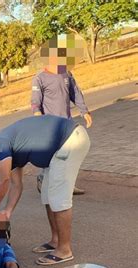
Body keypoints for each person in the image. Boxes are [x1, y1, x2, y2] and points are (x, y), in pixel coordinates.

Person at [0, 114, 90, 266]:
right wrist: (7, 211)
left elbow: (3, 179)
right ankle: (55, 240)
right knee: (47, 195)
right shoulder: (9, 148)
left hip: (70, 141)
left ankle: (64, 249)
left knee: (58, 198)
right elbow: (16, 184)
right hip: (61, 147)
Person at [31, 33, 92, 199]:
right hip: (50, 125)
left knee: (70, 153)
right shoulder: (39, 78)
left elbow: (75, 93)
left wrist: (84, 111)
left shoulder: (66, 74)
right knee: (52, 156)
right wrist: (38, 118)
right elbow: (35, 102)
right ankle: (43, 178)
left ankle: (68, 185)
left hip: (67, 123)